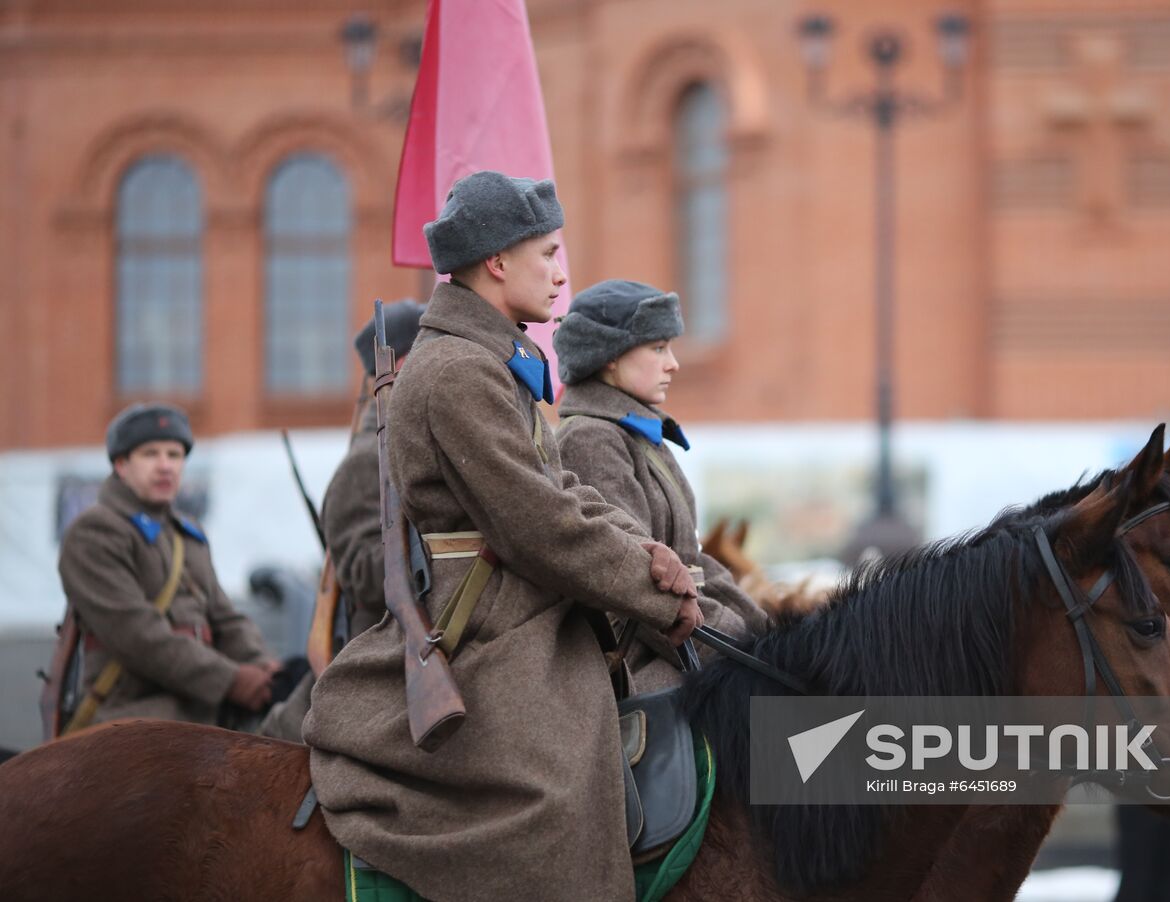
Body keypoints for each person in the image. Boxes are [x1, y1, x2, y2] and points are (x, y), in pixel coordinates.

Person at [302, 171, 702, 902]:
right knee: (558, 789)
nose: (559, 274)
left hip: (521, 613)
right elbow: (534, 522)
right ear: (496, 262)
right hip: (487, 629)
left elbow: (562, 491)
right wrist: (648, 590)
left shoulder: (491, 362)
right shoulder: (458, 370)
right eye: (548, 254)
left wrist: (651, 557)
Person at [553, 278, 768, 691]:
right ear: (609, 357)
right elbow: (635, 574)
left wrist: (769, 632)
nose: (674, 363)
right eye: (657, 348)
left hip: (680, 640)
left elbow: (693, 563)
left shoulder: (636, 433)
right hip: (638, 660)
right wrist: (738, 646)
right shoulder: (591, 439)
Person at [258, 300, 427, 742]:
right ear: (404, 362)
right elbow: (367, 576)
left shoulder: (412, 443)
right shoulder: (366, 463)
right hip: (381, 659)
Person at [56, 403, 276, 729]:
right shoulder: (95, 532)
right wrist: (232, 680)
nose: (165, 466)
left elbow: (225, 618)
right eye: (150, 454)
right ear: (121, 464)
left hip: (204, 706)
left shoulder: (187, 533)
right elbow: (138, 636)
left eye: (174, 456)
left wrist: (262, 671)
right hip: (135, 713)